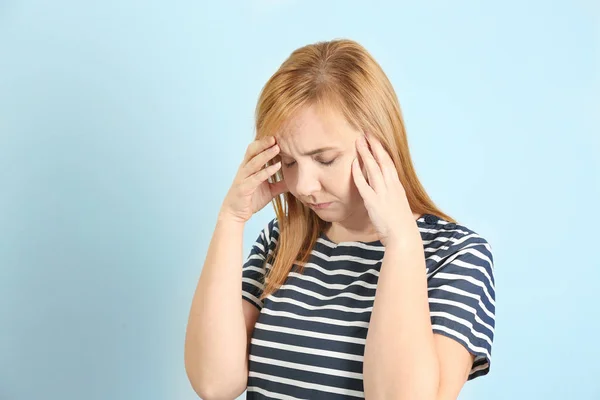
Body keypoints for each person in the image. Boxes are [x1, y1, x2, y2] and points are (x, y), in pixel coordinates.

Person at [184, 38, 495, 400]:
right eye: (288, 162)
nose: (303, 185)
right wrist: (230, 219)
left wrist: (401, 242)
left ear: (380, 143)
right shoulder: (281, 243)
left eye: (326, 159)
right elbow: (214, 384)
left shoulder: (456, 255)